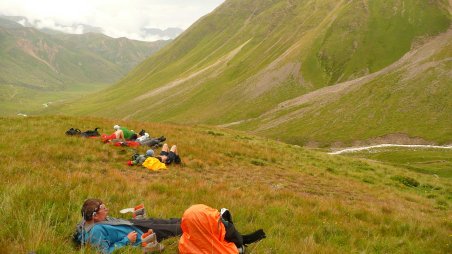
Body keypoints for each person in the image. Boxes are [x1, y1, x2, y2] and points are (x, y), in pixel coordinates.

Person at [74, 198, 182, 253]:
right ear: (95, 216)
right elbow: (105, 252)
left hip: (134, 224)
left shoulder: (89, 220)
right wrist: (127, 240)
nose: (107, 210)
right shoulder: (95, 232)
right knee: (174, 229)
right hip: (142, 234)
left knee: (169, 221)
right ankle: (195, 224)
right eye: (104, 209)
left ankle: (192, 217)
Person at [178, 204, 266, 254]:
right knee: (227, 229)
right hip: (202, 219)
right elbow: (236, 245)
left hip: (194, 216)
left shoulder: (184, 245)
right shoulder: (227, 251)